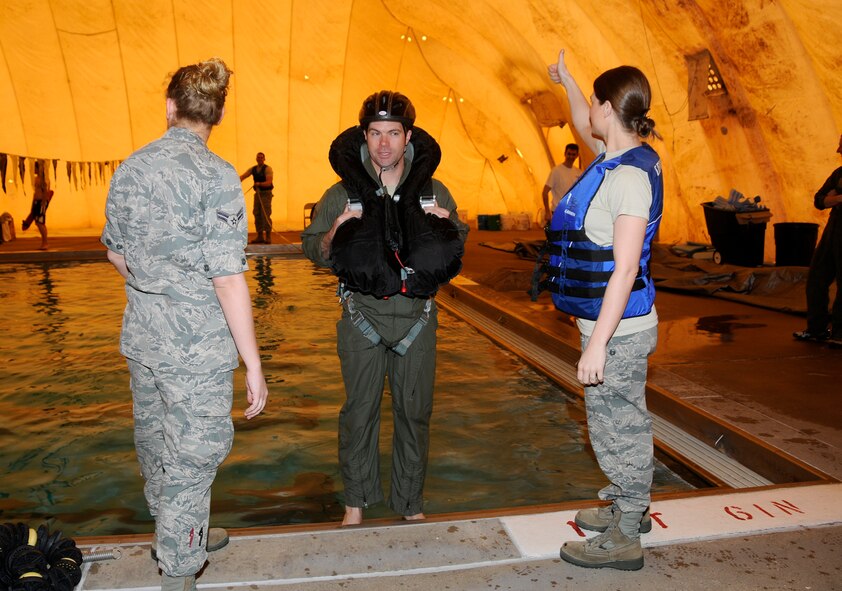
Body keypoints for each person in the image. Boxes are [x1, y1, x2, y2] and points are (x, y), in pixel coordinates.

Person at [101, 57, 269, 591]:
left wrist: (158, 285)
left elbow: (115, 255)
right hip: (195, 347)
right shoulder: (218, 177)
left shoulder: (130, 167)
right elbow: (227, 279)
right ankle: (178, 567)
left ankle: (177, 531)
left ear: (170, 107)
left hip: (145, 338)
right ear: (214, 116)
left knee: (155, 442)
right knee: (194, 452)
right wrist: (254, 364)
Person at [301, 90, 468, 526]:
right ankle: (355, 502)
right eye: (375, 133)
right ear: (364, 136)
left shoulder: (433, 189)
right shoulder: (342, 193)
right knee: (360, 412)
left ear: (408, 136)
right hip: (362, 318)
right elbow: (311, 247)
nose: (384, 144)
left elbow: (458, 244)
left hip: (418, 319)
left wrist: (448, 227)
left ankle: (410, 502)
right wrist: (332, 234)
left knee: (415, 413)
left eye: (393, 133)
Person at [542, 50, 664, 570]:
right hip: (608, 325)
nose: (586, 111)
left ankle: (627, 533)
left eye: (593, 102)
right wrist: (567, 80)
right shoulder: (614, 157)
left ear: (609, 109)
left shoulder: (629, 178)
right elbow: (578, 117)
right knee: (613, 419)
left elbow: (623, 268)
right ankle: (626, 503)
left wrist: (596, 345)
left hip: (618, 330)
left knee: (620, 424)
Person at [793, 134, 842, 347]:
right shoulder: (839, 174)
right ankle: (816, 328)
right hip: (834, 230)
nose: (839, 150)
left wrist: (833, 199)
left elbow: (826, 199)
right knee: (816, 278)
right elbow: (819, 201)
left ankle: (839, 333)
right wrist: (838, 199)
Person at [541, 143, 581, 224]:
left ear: (577, 155)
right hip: (557, 212)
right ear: (565, 154)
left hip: (571, 213)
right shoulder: (556, 171)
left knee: (570, 236)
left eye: (573, 154)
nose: (571, 157)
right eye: (569, 154)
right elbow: (545, 192)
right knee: (557, 236)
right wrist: (547, 212)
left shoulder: (578, 172)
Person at [239, 152, 274, 244]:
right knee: (257, 213)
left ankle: (268, 236)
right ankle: (260, 236)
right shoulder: (253, 169)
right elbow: (243, 176)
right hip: (257, 194)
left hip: (266, 194)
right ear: (256, 159)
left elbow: (269, 182)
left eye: (261, 157)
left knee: (265, 214)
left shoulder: (268, 169)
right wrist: (236, 180)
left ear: (264, 159)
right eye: (258, 157)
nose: (259, 159)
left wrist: (259, 184)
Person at [21, 160, 52, 250]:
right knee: (39, 222)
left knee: (40, 223)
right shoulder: (37, 178)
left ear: (39, 169)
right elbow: (36, 192)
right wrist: (32, 205)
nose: (33, 170)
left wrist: (43, 204)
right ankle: (44, 242)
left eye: (35, 168)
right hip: (36, 202)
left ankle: (45, 242)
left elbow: (45, 192)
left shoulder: (44, 179)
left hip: (41, 202)